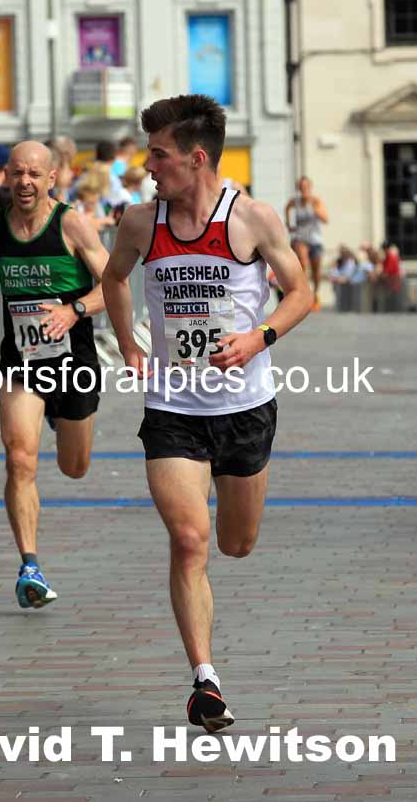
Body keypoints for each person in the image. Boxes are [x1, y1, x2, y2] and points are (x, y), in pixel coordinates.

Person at [102, 94, 313, 733]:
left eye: (158, 154)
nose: (148, 164)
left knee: (235, 543)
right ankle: (205, 681)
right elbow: (113, 280)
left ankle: (227, 528)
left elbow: (302, 293)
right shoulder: (141, 222)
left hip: (246, 407)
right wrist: (128, 345)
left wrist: (256, 340)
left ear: (196, 159)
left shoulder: (251, 218)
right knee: (190, 540)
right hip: (172, 407)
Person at [0, 141, 109, 610]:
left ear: (51, 178)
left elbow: (112, 285)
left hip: (73, 358)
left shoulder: (71, 223)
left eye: (34, 174)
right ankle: (29, 565)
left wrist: (74, 310)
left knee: (74, 467)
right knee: (18, 459)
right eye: (17, 173)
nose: (24, 182)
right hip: (22, 360)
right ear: (6, 178)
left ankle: (60, 417)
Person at [285, 176, 328, 312]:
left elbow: (325, 219)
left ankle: (315, 293)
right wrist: (289, 224)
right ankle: (303, 293)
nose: (304, 189)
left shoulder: (315, 201)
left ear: (310, 187)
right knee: (303, 262)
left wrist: (315, 210)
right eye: (301, 187)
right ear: (299, 188)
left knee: (316, 271)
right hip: (299, 237)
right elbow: (287, 209)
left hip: (314, 238)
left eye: (306, 187)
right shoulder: (294, 201)